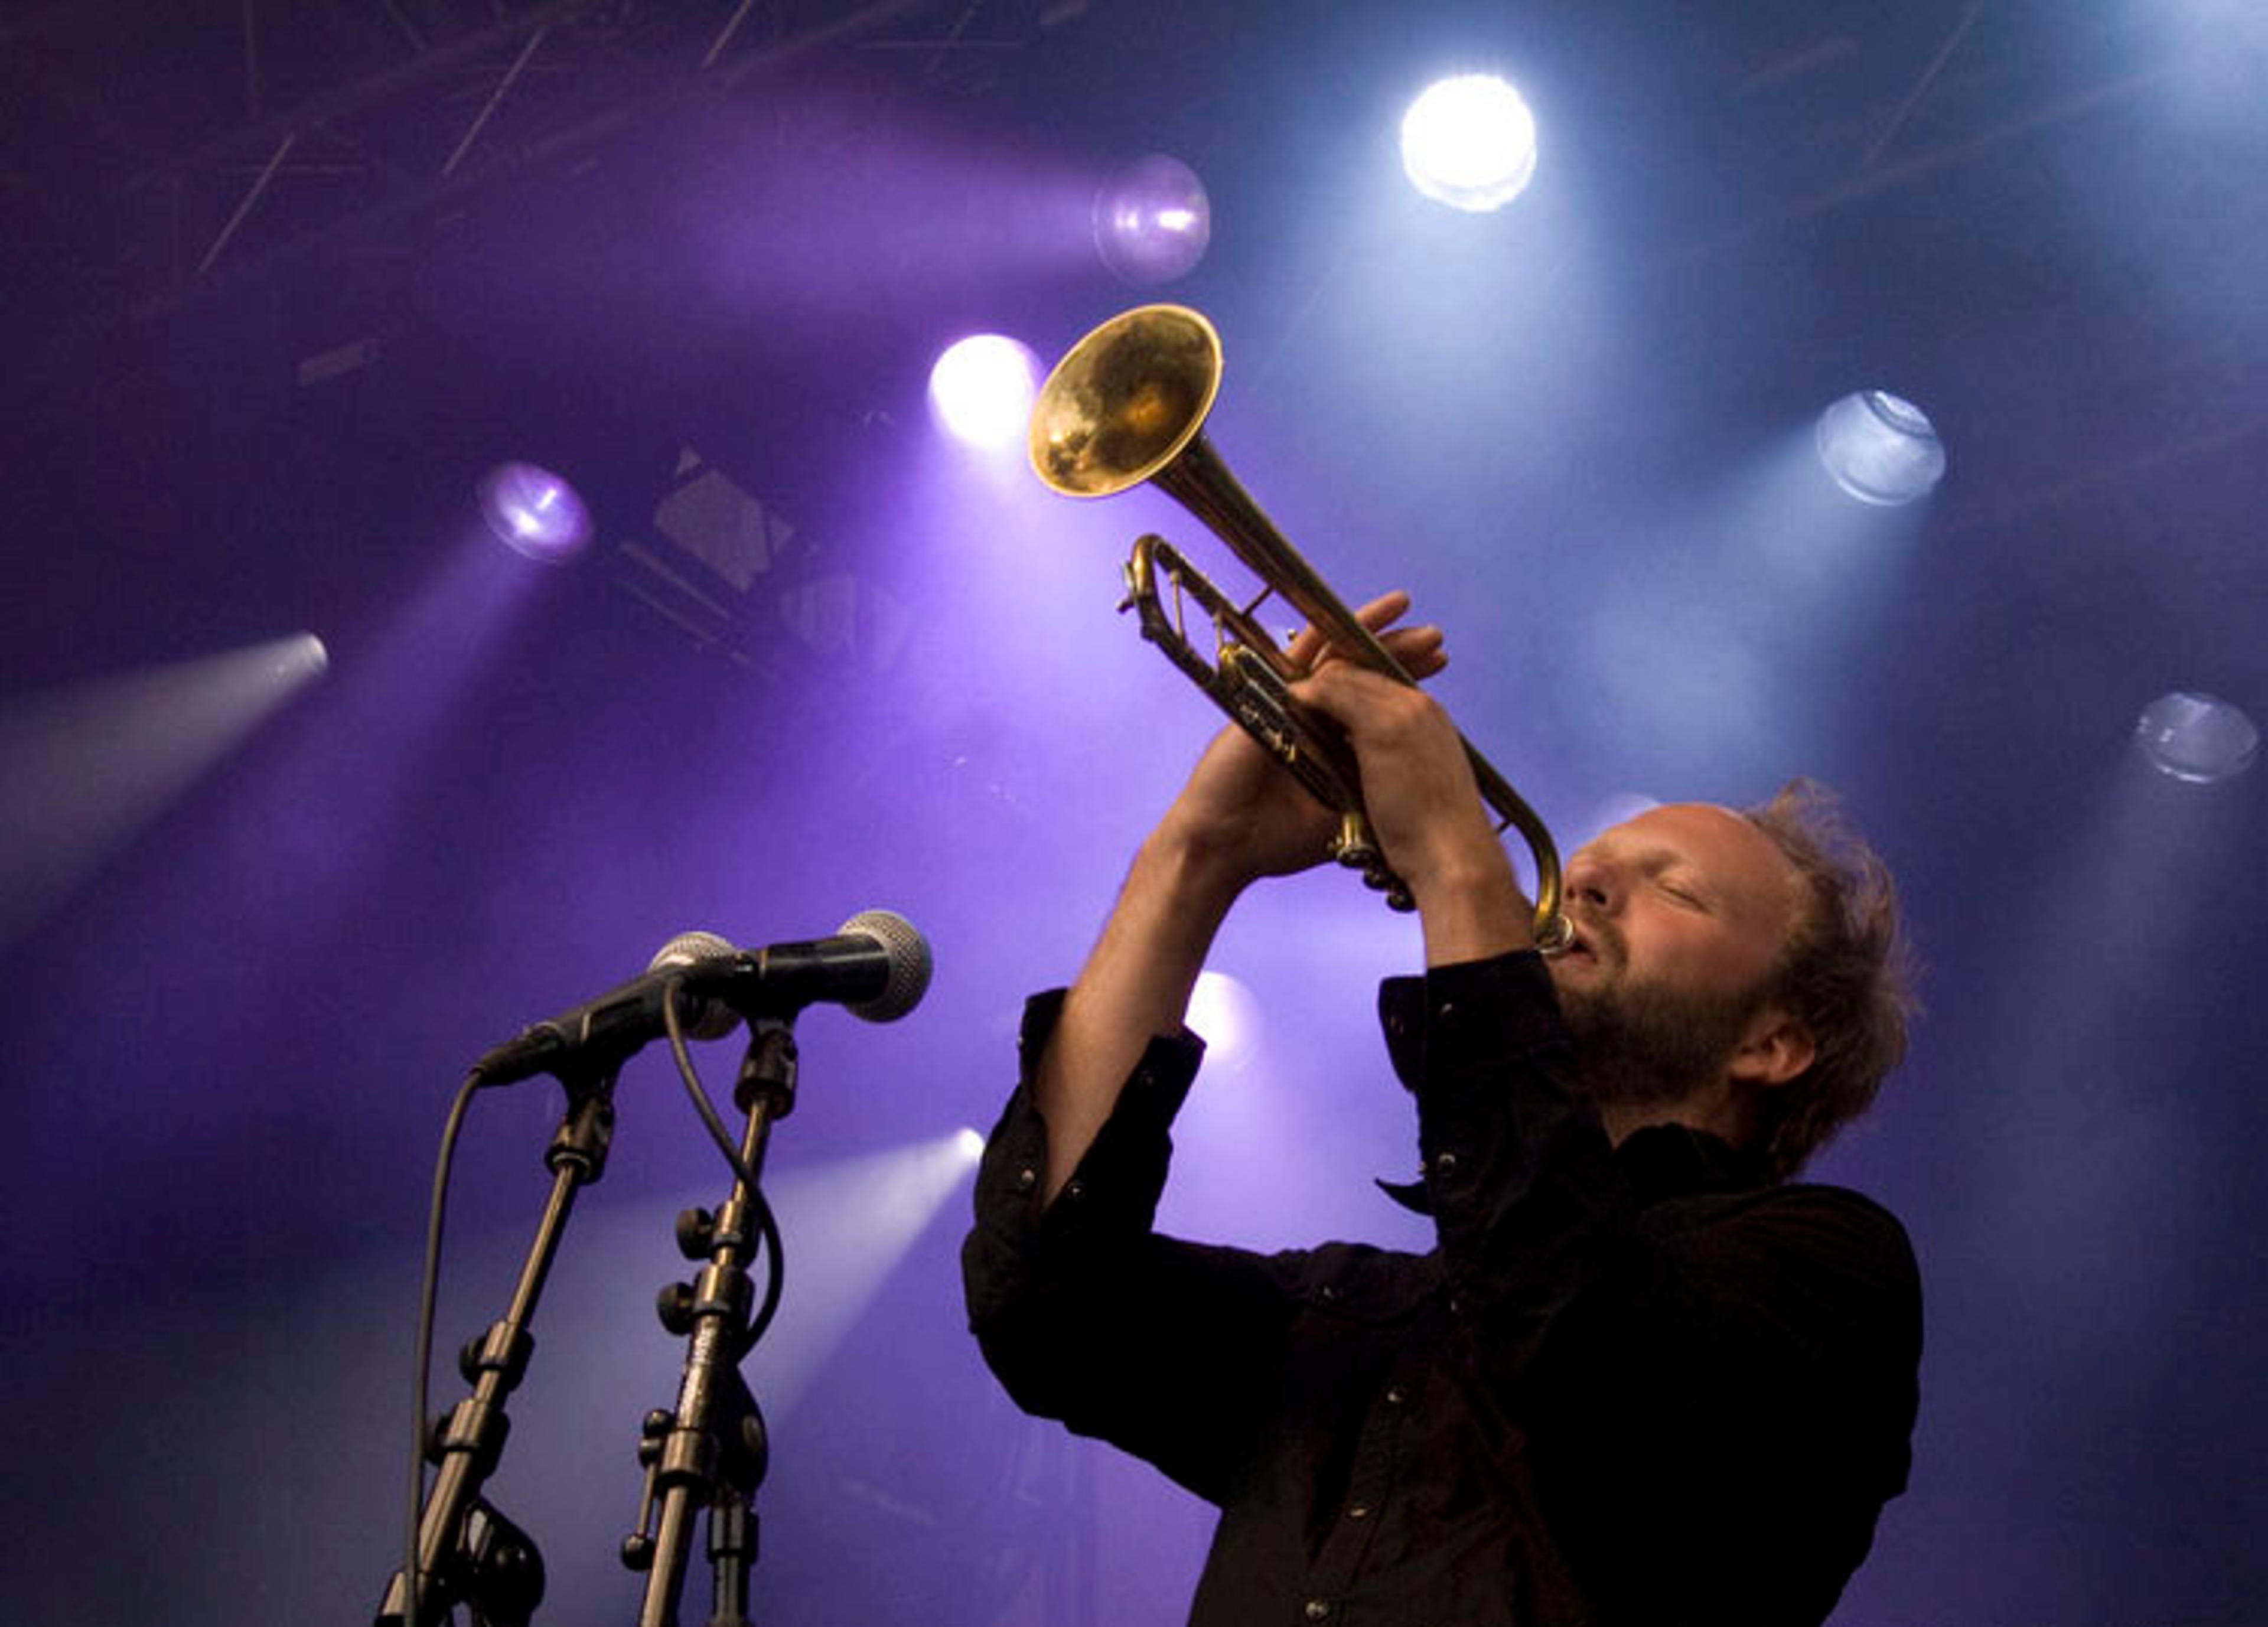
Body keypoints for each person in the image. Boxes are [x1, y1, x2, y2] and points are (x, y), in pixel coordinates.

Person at [962, 591, 1922, 1626]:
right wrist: (1199, 853)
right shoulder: (1362, 1310)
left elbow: (1578, 1343)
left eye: (1676, 890)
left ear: (1771, 1044)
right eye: (1592, 863)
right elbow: (1046, 1297)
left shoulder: (1831, 1270)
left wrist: (1460, 863)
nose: (1586, 881)